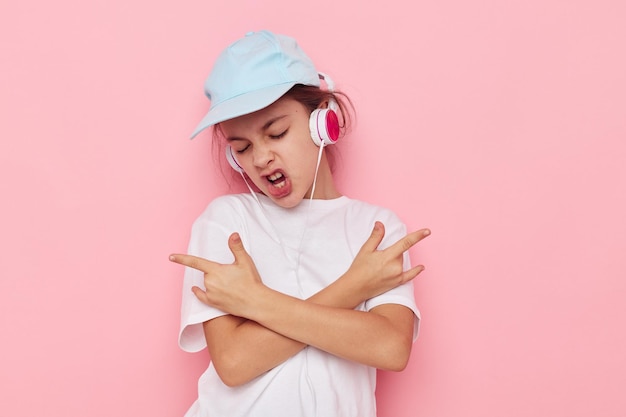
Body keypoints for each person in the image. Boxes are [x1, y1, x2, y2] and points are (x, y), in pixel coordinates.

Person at [169, 30, 430, 417]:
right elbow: (235, 363)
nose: (260, 159)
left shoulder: (376, 228)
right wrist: (354, 286)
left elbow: (390, 347)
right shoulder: (227, 222)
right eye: (242, 147)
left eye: (276, 133)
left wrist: (256, 302)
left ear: (322, 121)